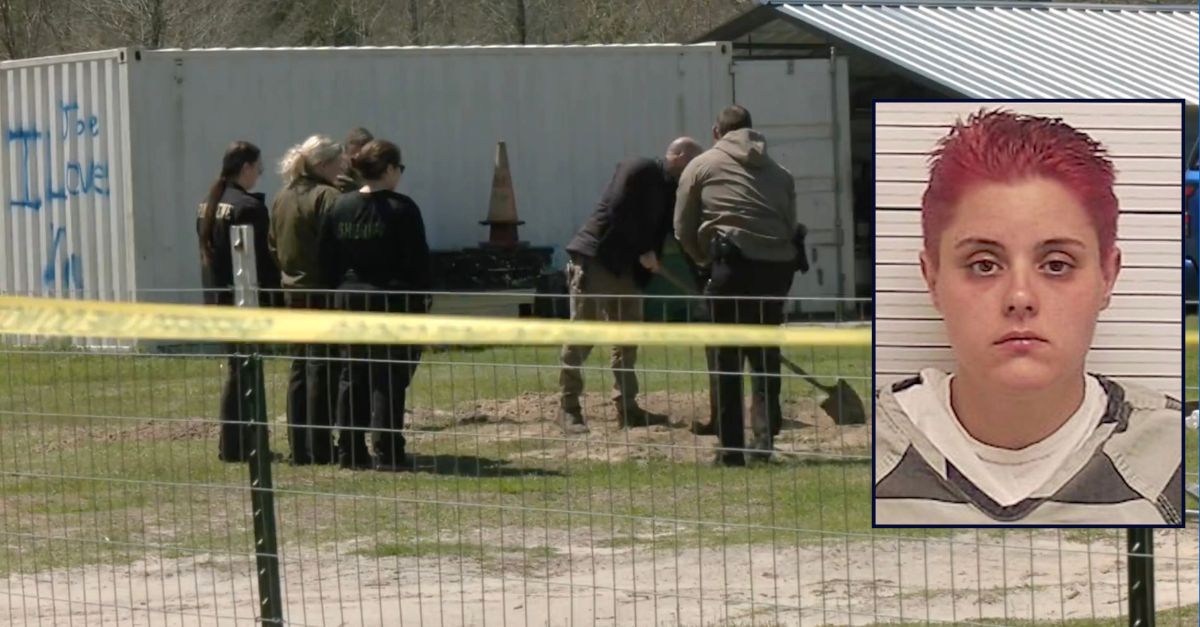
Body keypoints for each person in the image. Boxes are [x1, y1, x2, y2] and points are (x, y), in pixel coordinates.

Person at [874, 109, 1183, 525]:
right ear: (933, 280)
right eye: (984, 265)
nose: (1020, 297)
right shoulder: (874, 449)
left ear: (1107, 277)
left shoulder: (1171, 452)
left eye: (1056, 265)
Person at [674, 105, 799, 466]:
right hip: (776, 270)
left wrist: (702, 260)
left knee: (725, 357)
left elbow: (682, 225)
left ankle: (730, 450)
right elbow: (790, 226)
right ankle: (764, 443)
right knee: (764, 355)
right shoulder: (780, 172)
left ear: (717, 132)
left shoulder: (702, 166)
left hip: (731, 264)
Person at [558, 137, 703, 434]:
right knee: (582, 336)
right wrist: (642, 249)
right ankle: (568, 408)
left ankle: (628, 408)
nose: (694, 170)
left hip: (629, 270)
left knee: (627, 340)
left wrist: (701, 278)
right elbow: (617, 211)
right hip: (597, 259)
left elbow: (672, 233)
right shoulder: (639, 168)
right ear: (676, 155)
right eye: (691, 161)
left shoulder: (672, 190)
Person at [319, 139, 431, 471]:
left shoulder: (339, 207)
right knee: (389, 377)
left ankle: (350, 451)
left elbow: (326, 258)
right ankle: (388, 450)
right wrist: (422, 300)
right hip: (391, 300)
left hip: (349, 298)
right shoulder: (402, 209)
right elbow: (418, 261)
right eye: (400, 168)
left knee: (352, 376)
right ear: (389, 169)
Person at [196, 140, 281, 462]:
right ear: (246, 167)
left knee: (238, 369)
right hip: (243, 300)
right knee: (244, 372)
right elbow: (261, 260)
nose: (260, 173)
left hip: (217, 297)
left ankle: (236, 443)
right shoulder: (248, 208)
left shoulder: (208, 202)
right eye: (258, 167)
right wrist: (273, 302)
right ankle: (240, 444)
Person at [268, 134, 346, 466]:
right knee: (322, 367)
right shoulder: (327, 196)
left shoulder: (282, 196)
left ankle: (298, 445)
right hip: (321, 289)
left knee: (299, 367)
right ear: (326, 164)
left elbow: (273, 245)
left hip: (292, 289)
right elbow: (336, 245)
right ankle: (320, 445)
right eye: (339, 162)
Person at [336, 127, 374, 193]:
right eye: (354, 157)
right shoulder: (336, 173)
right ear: (344, 154)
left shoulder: (375, 175)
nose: (358, 161)